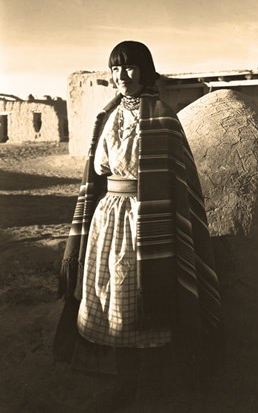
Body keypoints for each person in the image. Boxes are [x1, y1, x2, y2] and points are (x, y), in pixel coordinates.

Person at [54, 40, 222, 411]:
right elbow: (98, 171)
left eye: (129, 68)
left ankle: (149, 387)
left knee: (145, 302)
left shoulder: (162, 116)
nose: (121, 76)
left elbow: (178, 181)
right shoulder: (107, 115)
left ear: (145, 70)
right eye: (115, 69)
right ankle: (124, 384)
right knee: (112, 299)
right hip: (109, 218)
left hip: (147, 221)